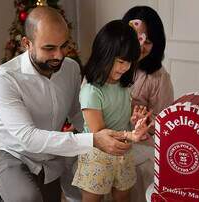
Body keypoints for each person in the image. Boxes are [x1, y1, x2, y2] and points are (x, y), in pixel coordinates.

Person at [0, 7, 131, 202]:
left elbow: (78, 113)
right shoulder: (4, 78)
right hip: (10, 151)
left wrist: (110, 136)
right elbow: (27, 137)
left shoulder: (70, 68)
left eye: (64, 46)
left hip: (49, 155)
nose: (59, 55)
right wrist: (94, 140)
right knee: (27, 198)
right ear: (27, 43)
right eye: (49, 48)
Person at [72, 20, 150, 202]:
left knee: (123, 196)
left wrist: (135, 121)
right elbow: (99, 134)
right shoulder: (92, 91)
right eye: (120, 61)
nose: (124, 67)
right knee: (93, 198)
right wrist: (130, 136)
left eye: (129, 62)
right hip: (96, 155)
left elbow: (123, 117)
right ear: (103, 55)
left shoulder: (123, 86)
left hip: (123, 152)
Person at [122, 6, 174, 202]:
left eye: (148, 41)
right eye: (137, 40)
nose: (140, 46)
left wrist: (144, 122)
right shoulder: (113, 67)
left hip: (141, 141)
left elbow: (163, 125)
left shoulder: (159, 78)